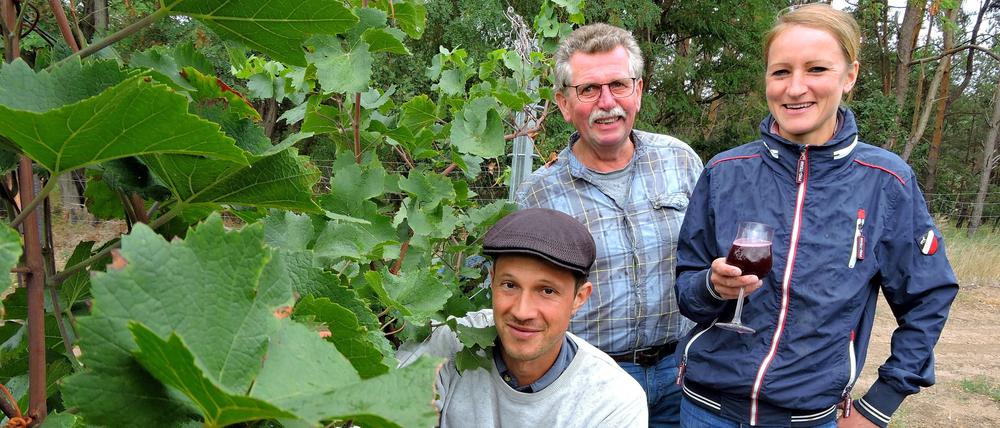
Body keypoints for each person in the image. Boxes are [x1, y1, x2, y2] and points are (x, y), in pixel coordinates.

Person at [673, 4, 959, 428]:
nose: (795, 88)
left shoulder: (886, 182)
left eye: (817, 69)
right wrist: (712, 286)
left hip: (809, 418)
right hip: (705, 411)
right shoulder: (724, 171)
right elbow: (686, 291)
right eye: (781, 72)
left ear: (850, 75)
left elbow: (928, 298)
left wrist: (880, 404)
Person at [515, 23, 703, 426]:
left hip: (682, 372)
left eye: (618, 84)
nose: (607, 102)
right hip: (589, 380)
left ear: (638, 90)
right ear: (564, 104)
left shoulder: (681, 161)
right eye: (588, 89)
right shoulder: (538, 194)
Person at [398, 208, 648, 427]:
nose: (522, 311)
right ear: (492, 280)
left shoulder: (612, 401)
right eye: (510, 285)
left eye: (547, 291)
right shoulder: (448, 343)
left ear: (579, 298)